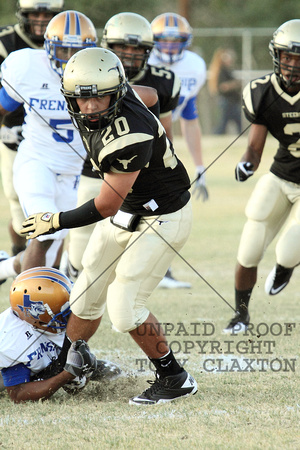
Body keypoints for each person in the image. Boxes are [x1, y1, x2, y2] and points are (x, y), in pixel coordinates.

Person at [20, 47, 198, 405]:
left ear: (114, 91)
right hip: (132, 210)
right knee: (85, 293)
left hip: (162, 214)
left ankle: (175, 377)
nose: (90, 107)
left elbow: (105, 204)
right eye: (81, 99)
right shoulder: (120, 92)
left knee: (124, 305)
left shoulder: (128, 136)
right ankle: (66, 363)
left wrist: (52, 219)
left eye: (99, 97)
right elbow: (149, 94)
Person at [61, 12, 190, 289]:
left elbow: (163, 128)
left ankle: (145, 269)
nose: (129, 54)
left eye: (137, 48)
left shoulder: (163, 80)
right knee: (86, 235)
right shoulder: (85, 73)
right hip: (97, 163)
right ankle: (74, 271)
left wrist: (146, 149)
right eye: (122, 48)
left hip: (131, 162)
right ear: (109, 46)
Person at [0, 11, 98, 285]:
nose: (69, 57)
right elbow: (2, 107)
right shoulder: (27, 67)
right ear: (48, 46)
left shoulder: (100, 74)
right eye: (63, 48)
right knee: (43, 235)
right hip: (36, 162)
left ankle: (6, 268)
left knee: (52, 250)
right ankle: (27, 314)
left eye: (77, 50)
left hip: (76, 173)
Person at [223, 19, 300, 334]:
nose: (292, 64)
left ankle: (285, 267)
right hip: (281, 175)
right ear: (277, 55)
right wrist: (246, 164)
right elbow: (255, 148)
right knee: (250, 248)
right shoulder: (261, 90)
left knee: (288, 250)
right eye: (288, 56)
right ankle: (241, 314)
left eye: (299, 58)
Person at [0, 0, 64, 258]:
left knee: (56, 212)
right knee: (17, 202)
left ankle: (44, 265)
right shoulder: (6, 42)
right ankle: (19, 254)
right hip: (13, 133)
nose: (41, 19)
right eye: (35, 13)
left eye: (47, 14)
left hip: (60, 139)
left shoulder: (71, 39)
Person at [0, 267, 121, 403]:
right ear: (36, 314)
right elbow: (18, 395)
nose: (70, 316)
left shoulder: (40, 323)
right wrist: (66, 375)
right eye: (63, 312)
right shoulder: (11, 338)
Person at [149, 12, 208, 203]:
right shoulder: (144, 61)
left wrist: (200, 168)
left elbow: (190, 120)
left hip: (165, 136)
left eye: (175, 40)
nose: (169, 46)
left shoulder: (195, 66)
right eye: (164, 40)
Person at [208, 47, 242, 135]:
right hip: (227, 101)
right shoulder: (221, 71)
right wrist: (234, 84)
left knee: (235, 123)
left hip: (232, 101)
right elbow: (223, 87)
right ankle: (215, 136)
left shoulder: (227, 71)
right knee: (223, 125)